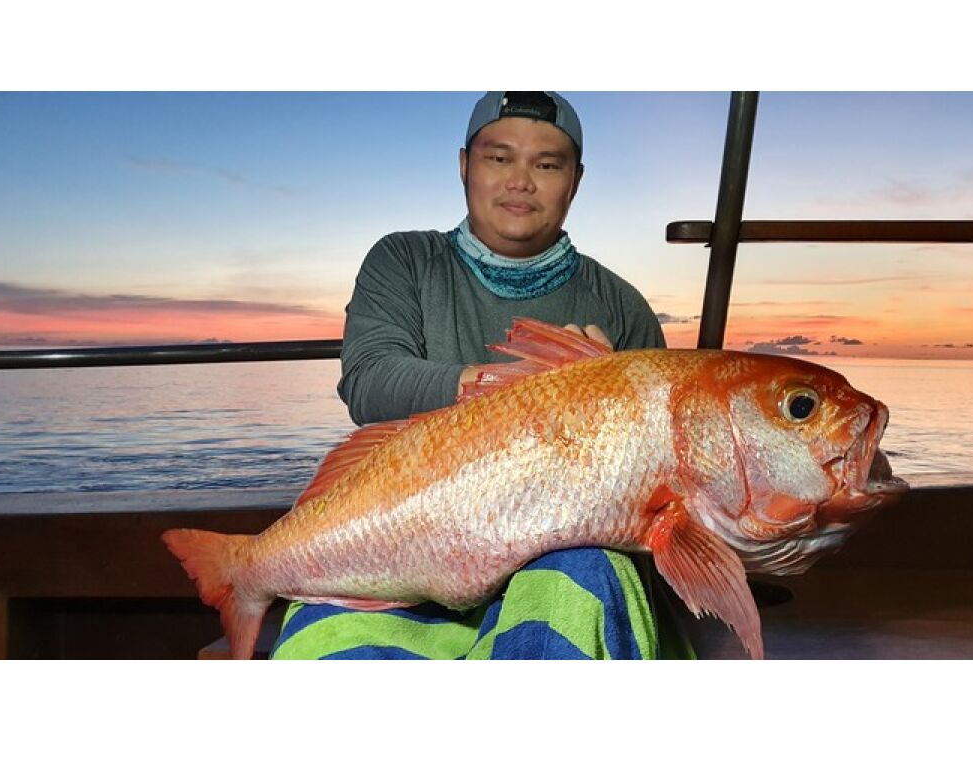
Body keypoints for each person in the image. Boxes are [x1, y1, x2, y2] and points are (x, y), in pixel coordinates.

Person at [270, 91, 691, 659]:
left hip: (560, 560)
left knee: (590, 570)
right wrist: (528, 393)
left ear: (576, 180)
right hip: (410, 538)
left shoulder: (621, 304)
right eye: (499, 158)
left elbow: (664, 496)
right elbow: (370, 379)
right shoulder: (404, 260)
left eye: (547, 164)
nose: (520, 181)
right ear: (465, 165)